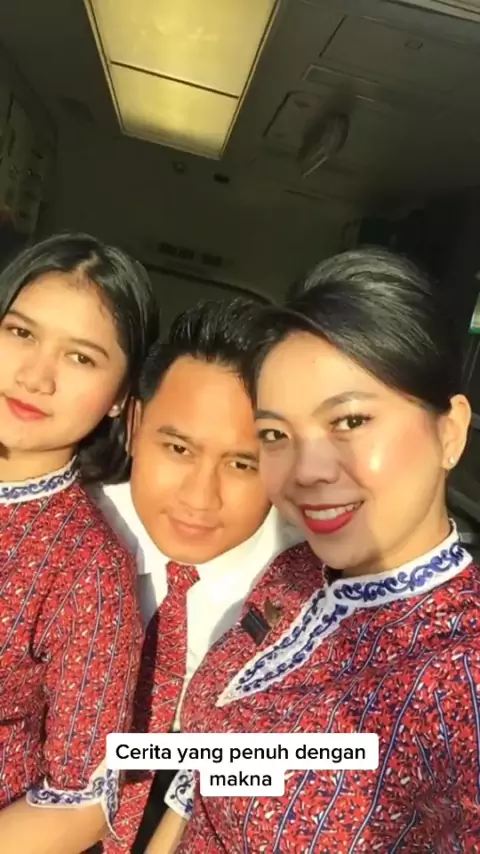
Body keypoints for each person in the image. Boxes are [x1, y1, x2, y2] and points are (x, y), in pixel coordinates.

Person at [152, 248, 479, 853]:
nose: (306, 470)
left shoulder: (461, 679)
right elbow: (205, 774)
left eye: (349, 421)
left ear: (450, 432)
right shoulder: (295, 572)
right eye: (276, 434)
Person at [92, 298, 302, 853]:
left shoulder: (309, 600)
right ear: (134, 425)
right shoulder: (69, 535)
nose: (200, 497)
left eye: (242, 464)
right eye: (179, 448)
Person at [0, 232, 159, 853]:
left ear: (120, 398)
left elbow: (82, 802)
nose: (35, 376)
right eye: (21, 332)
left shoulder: (85, 568)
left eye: (81, 358)